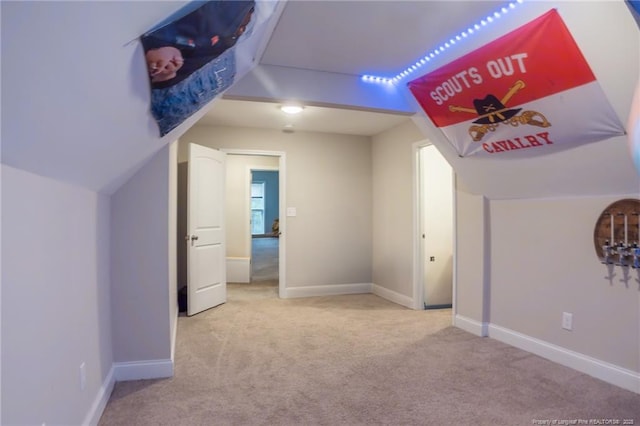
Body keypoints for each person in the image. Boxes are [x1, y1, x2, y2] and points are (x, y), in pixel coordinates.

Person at [141, 0, 255, 89]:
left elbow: (185, 67)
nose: (241, 30)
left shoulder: (226, 41)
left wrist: (167, 76)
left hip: (146, 65)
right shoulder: (228, 13)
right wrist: (160, 45)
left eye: (243, 28)